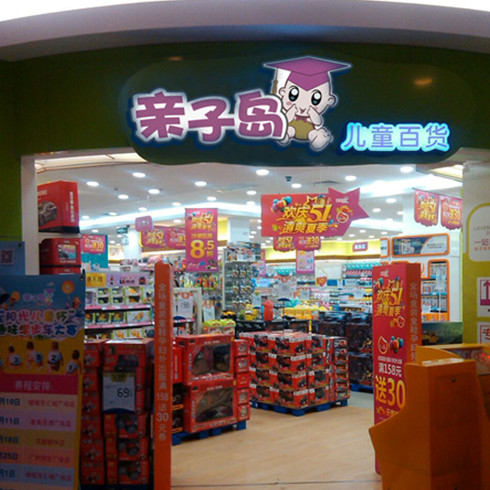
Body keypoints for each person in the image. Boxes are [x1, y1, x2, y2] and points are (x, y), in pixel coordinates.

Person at [264, 56, 350, 151]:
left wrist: (313, 114)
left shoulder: (312, 114)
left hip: (309, 131)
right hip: (292, 128)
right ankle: (285, 135)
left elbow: (318, 122)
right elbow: (286, 119)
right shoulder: (291, 111)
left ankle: (318, 139)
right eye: (293, 95)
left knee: (314, 133)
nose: (302, 106)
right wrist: (291, 111)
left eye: (315, 100)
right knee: (288, 130)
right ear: (283, 93)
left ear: (329, 100)